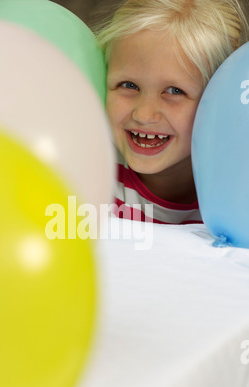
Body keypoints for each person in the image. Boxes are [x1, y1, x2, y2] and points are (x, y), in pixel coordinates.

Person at [94, 0, 249, 224]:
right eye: (129, 85)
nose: (144, 115)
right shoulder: (89, 176)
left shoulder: (238, 192)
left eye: (174, 91)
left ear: (219, 97)